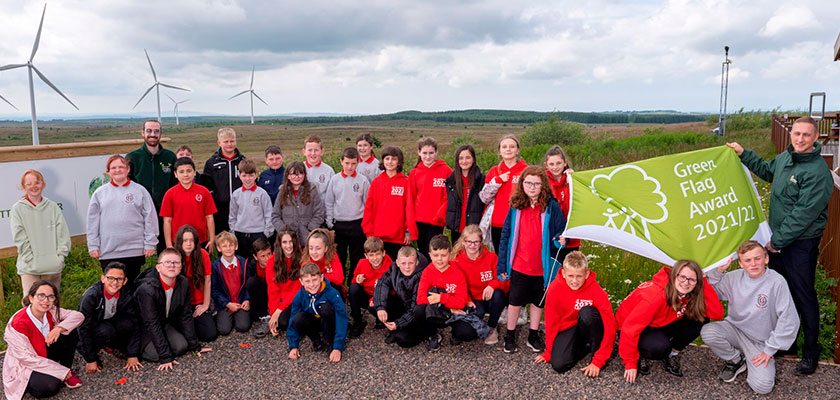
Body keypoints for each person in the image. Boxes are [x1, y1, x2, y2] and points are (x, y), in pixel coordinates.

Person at [726, 116, 833, 375]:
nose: (799, 139)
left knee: (802, 295)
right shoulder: (786, 159)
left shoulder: (817, 172)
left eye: (806, 135)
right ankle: (786, 345)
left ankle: (810, 351)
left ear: (816, 137)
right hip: (779, 242)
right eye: (796, 133)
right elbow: (766, 171)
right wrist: (743, 154)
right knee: (780, 294)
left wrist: (776, 242)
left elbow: (803, 215)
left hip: (799, 244)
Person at [701, 241, 799, 394]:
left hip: (760, 341)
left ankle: (752, 359)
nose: (753, 264)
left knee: (763, 387)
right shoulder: (733, 278)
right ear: (740, 263)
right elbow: (711, 293)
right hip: (735, 329)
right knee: (709, 331)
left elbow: (789, 319)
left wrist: (769, 350)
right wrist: (717, 272)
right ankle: (736, 360)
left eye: (757, 258)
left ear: (766, 259)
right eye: (747, 260)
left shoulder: (777, 281)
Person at [617, 260, 724, 383]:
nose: (686, 283)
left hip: (661, 321)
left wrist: (704, 282)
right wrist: (630, 362)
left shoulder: (688, 291)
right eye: (682, 277)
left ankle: (672, 353)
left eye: (692, 279)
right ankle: (641, 352)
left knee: (701, 318)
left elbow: (717, 313)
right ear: (674, 275)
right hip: (631, 327)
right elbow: (630, 328)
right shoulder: (655, 297)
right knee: (659, 348)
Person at [496, 166, 566, 354]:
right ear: (522, 184)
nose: (532, 187)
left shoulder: (551, 206)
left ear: (543, 184)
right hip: (519, 264)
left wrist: (560, 239)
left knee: (538, 301)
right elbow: (505, 235)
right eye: (528, 183)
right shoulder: (516, 205)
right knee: (515, 301)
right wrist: (502, 263)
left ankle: (533, 334)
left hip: (542, 266)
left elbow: (560, 229)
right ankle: (509, 335)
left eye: (536, 183)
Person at [534, 251, 616, 377]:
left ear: (587, 274)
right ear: (563, 273)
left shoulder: (595, 290)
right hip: (569, 328)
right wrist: (549, 352)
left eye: (579, 276)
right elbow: (551, 323)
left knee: (587, 312)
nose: (574, 281)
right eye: (570, 276)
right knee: (559, 365)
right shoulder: (554, 289)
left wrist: (599, 361)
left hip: (590, 326)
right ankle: (585, 346)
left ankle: (595, 350)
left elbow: (610, 324)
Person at [87, 155, 158, 291]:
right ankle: (112, 312)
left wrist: (150, 243)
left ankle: (132, 312)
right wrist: (93, 245)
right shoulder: (100, 193)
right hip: (109, 251)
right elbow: (92, 222)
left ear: (128, 169)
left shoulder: (139, 190)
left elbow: (150, 218)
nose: (117, 170)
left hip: (134, 250)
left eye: (121, 167)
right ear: (108, 171)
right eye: (113, 167)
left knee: (132, 287)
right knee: (112, 288)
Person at [3, 281, 84, 400]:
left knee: (69, 331)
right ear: (31, 298)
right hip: (27, 363)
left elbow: (78, 316)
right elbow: (27, 359)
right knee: (50, 386)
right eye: (41, 296)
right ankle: (32, 384)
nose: (46, 300)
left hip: (44, 352)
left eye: (50, 297)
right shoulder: (18, 324)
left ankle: (67, 371)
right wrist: (60, 371)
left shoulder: (51, 311)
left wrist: (58, 328)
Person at [135, 248, 211, 369]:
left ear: (181, 266)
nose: (172, 265)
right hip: (142, 328)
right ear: (158, 267)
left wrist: (195, 346)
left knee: (181, 347)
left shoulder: (183, 282)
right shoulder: (147, 290)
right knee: (156, 355)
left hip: (164, 322)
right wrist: (165, 357)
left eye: (176, 263)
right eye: (167, 262)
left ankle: (165, 344)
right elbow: (151, 323)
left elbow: (185, 315)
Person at [10, 169, 71, 295]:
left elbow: (62, 234)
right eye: (29, 184)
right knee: (31, 305)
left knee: (51, 304)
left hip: (52, 268)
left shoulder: (53, 207)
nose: (34, 187)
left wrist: (59, 258)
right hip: (29, 269)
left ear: (43, 184)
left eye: (37, 182)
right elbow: (19, 237)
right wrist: (30, 260)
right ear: (23, 187)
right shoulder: (17, 209)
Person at [77, 262, 143, 374]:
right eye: (110, 278)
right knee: (106, 330)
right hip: (95, 327)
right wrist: (90, 359)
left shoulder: (126, 295)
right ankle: (96, 349)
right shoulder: (91, 297)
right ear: (103, 278)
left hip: (110, 321)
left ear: (125, 281)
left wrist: (133, 354)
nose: (115, 283)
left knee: (128, 323)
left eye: (119, 279)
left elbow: (136, 322)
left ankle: (113, 346)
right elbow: (82, 328)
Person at [415, 235, 478, 351]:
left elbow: (461, 301)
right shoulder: (427, 272)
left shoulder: (458, 272)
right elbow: (421, 299)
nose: (439, 259)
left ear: (449, 255)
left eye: (443, 255)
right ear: (430, 255)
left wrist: (441, 298)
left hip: (454, 313)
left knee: (468, 333)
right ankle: (432, 334)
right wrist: (448, 308)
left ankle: (455, 333)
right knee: (419, 311)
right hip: (439, 312)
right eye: (435, 255)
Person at [126, 119, 177, 252]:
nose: (152, 134)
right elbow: (127, 184)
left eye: (156, 131)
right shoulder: (133, 157)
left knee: (165, 248)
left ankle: (163, 270)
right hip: (139, 211)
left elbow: (175, 184)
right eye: (149, 131)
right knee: (137, 250)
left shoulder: (170, 157)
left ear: (161, 134)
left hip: (164, 211)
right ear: (143, 133)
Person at [451, 224, 506, 345]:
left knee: (498, 295)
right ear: (463, 242)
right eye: (469, 242)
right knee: (476, 315)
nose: (472, 245)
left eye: (476, 242)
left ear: (481, 242)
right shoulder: (457, 261)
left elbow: (503, 277)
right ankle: (462, 329)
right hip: (473, 300)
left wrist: (492, 284)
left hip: (490, 298)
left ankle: (492, 327)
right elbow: (456, 287)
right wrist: (467, 300)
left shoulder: (491, 257)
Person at [362, 146, 418, 261]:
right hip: (378, 237)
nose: (390, 162)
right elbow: (368, 209)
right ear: (383, 161)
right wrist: (369, 233)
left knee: (397, 269)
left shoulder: (405, 182)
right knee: (379, 270)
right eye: (387, 158)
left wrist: (408, 232)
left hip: (398, 237)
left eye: (394, 159)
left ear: (399, 162)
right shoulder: (376, 182)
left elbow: (410, 209)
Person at [287, 263, 348, 363]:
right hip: (315, 322)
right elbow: (292, 319)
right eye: (307, 281)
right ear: (301, 282)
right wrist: (293, 346)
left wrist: (338, 347)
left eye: (315, 280)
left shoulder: (332, 293)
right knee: (298, 319)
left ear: (321, 277)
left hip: (329, 321)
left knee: (326, 308)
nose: (311, 285)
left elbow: (342, 317)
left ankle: (330, 341)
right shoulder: (300, 295)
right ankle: (316, 340)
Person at [325, 147, 370, 282]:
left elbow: (367, 205)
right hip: (339, 225)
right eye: (347, 163)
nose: (350, 167)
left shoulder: (363, 181)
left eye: (353, 163)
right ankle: (340, 285)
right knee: (340, 258)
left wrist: (366, 225)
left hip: (357, 224)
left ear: (358, 163)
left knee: (357, 258)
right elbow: (329, 202)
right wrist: (329, 222)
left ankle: (353, 285)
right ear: (341, 162)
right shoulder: (334, 180)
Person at [372, 246, 430, 347]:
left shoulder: (424, 274)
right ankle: (394, 327)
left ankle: (423, 333)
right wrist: (380, 307)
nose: (407, 267)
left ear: (416, 262)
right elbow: (382, 283)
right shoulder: (394, 268)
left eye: (410, 263)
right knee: (376, 305)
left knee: (403, 340)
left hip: (417, 313)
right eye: (403, 263)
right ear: (397, 263)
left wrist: (398, 323)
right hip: (403, 306)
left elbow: (415, 306)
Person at [480, 134, 528, 251]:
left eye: (512, 146)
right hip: (497, 223)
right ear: (500, 151)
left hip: (518, 223)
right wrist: (497, 181)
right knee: (499, 257)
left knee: (517, 257)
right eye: (504, 147)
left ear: (518, 150)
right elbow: (484, 198)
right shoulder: (494, 171)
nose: (508, 149)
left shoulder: (526, 170)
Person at [160, 157, 217, 250]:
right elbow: (167, 221)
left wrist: (211, 240)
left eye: (189, 171)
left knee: (199, 264)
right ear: (175, 174)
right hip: (178, 241)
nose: (186, 174)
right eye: (181, 172)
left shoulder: (204, 192)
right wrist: (169, 244)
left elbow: (209, 217)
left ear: (194, 172)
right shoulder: (170, 194)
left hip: (200, 240)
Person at [409, 137, 452, 259]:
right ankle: (423, 277)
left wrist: (439, 216)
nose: (428, 157)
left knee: (436, 252)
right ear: (419, 153)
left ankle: (435, 277)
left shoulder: (445, 170)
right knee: (422, 253)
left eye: (431, 153)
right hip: (420, 221)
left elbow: (448, 197)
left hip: (437, 221)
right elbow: (411, 200)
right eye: (424, 153)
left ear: (436, 153)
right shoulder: (415, 173)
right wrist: (411, 225)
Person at [175, 225, 217, 343]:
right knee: (186, 336)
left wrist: (205, 305)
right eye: (185, 240)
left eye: (191, 240)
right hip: (182, 303)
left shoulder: (203, 254)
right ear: (180, 242)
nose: (188, 243)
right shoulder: (175, 256)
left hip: (199, 301)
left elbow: (207, 281)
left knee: (210, 335)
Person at [270, 161, 326, 246]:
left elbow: (319, 213)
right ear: (288, 176)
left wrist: (310, 228)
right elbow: (275, 215)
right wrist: (284, 231)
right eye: (293, 174)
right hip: (288, 241)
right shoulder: (282, 192)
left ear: (304, 175)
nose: (297, 177)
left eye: (300, 173)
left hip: (308, 239)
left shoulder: (312, 190)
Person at [203, 127, 245, 234]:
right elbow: (207, 186)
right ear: (219, 142)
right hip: (220, 211)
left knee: (241, 241)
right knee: (223, 243)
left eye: (232, 141)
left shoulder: (243, 161)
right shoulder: (211, 162)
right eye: (226, 141)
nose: (229, 144)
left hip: (241, 209)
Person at [348, 237, 393, 338]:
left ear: (383, 253)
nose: (375, 258)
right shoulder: (362, 263)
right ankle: (358, 320)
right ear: (366, 256)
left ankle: (383, 319)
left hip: (383, 297)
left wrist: (376, 299)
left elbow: (391, 289)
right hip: (367, 295)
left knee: (389, 299)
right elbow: (353, 282)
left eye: (378, 254)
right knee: (353, 288)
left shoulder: (389, 267)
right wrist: (357, 280)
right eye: (371, 255)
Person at [229, 159, 274, 259]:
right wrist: (233, 232)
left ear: (255, 175)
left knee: (259, 262)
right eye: (244, 175)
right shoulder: (236, 194)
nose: (248, 179)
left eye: (251, 175)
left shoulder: (262, 194)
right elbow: (232, 216)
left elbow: (269, 215)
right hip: (240, 234)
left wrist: (266, 234)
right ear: (239, 175)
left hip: (258, 234)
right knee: (243, 261)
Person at [442, 144, 485, 244]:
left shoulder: (482, 180)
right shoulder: (451, 181)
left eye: (468, 157)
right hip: (456, 228)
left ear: (473, 159)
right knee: (457, 256)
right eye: (461, 158)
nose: (464, 161)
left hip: (473, 229)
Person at [211, 231, 252, 336]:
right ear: (219, 248)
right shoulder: (215, 266)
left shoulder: (243, 263)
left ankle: (238, 317)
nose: (228, 248)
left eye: (231, 245)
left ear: (236, 246)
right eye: (224, 246)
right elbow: (214, 290)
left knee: (243, 327)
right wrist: (227, 304)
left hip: (240, 302)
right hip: (226, 303)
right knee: (224, 330)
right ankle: (222, 315)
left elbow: (248, 284)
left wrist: (247, 299)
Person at [544, 145, 580, 262]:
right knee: (554, 269)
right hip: (552, 234)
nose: (555, 167)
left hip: (571, 233)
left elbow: (576, 203)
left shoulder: (572, 179)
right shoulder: (543, 181)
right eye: (551, 164)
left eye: (558, 163)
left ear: (565, 163)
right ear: (546, 165)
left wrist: (572, 180)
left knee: (572, 268)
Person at [265, 230, 303, 337]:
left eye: (291, 242)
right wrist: (273, 315)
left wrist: (279, 310)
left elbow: (298, 288)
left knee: (293, 322)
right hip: (285, 301)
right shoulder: (272, 261)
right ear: (279, 244)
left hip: (299, 298)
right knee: (281, 323)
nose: (288, 246)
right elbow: (272, 290)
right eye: (284, 242)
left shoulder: (302, 258)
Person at [246, 237, 272, 337]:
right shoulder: (252, 266)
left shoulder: (276, 262)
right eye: (263, 256)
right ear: (255, 257)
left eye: (269, 254)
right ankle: (264, 317)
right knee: (251, 282)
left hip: (276, 296)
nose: (267, 258)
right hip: (261, 296)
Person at [302, 134, 335, 198]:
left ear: (322, 152)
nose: (313, 153)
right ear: (304, 152)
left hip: (323, 207)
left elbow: (332, 194)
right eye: (310, 150)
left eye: (316, 150)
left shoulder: (329, 171)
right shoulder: (299, 169)